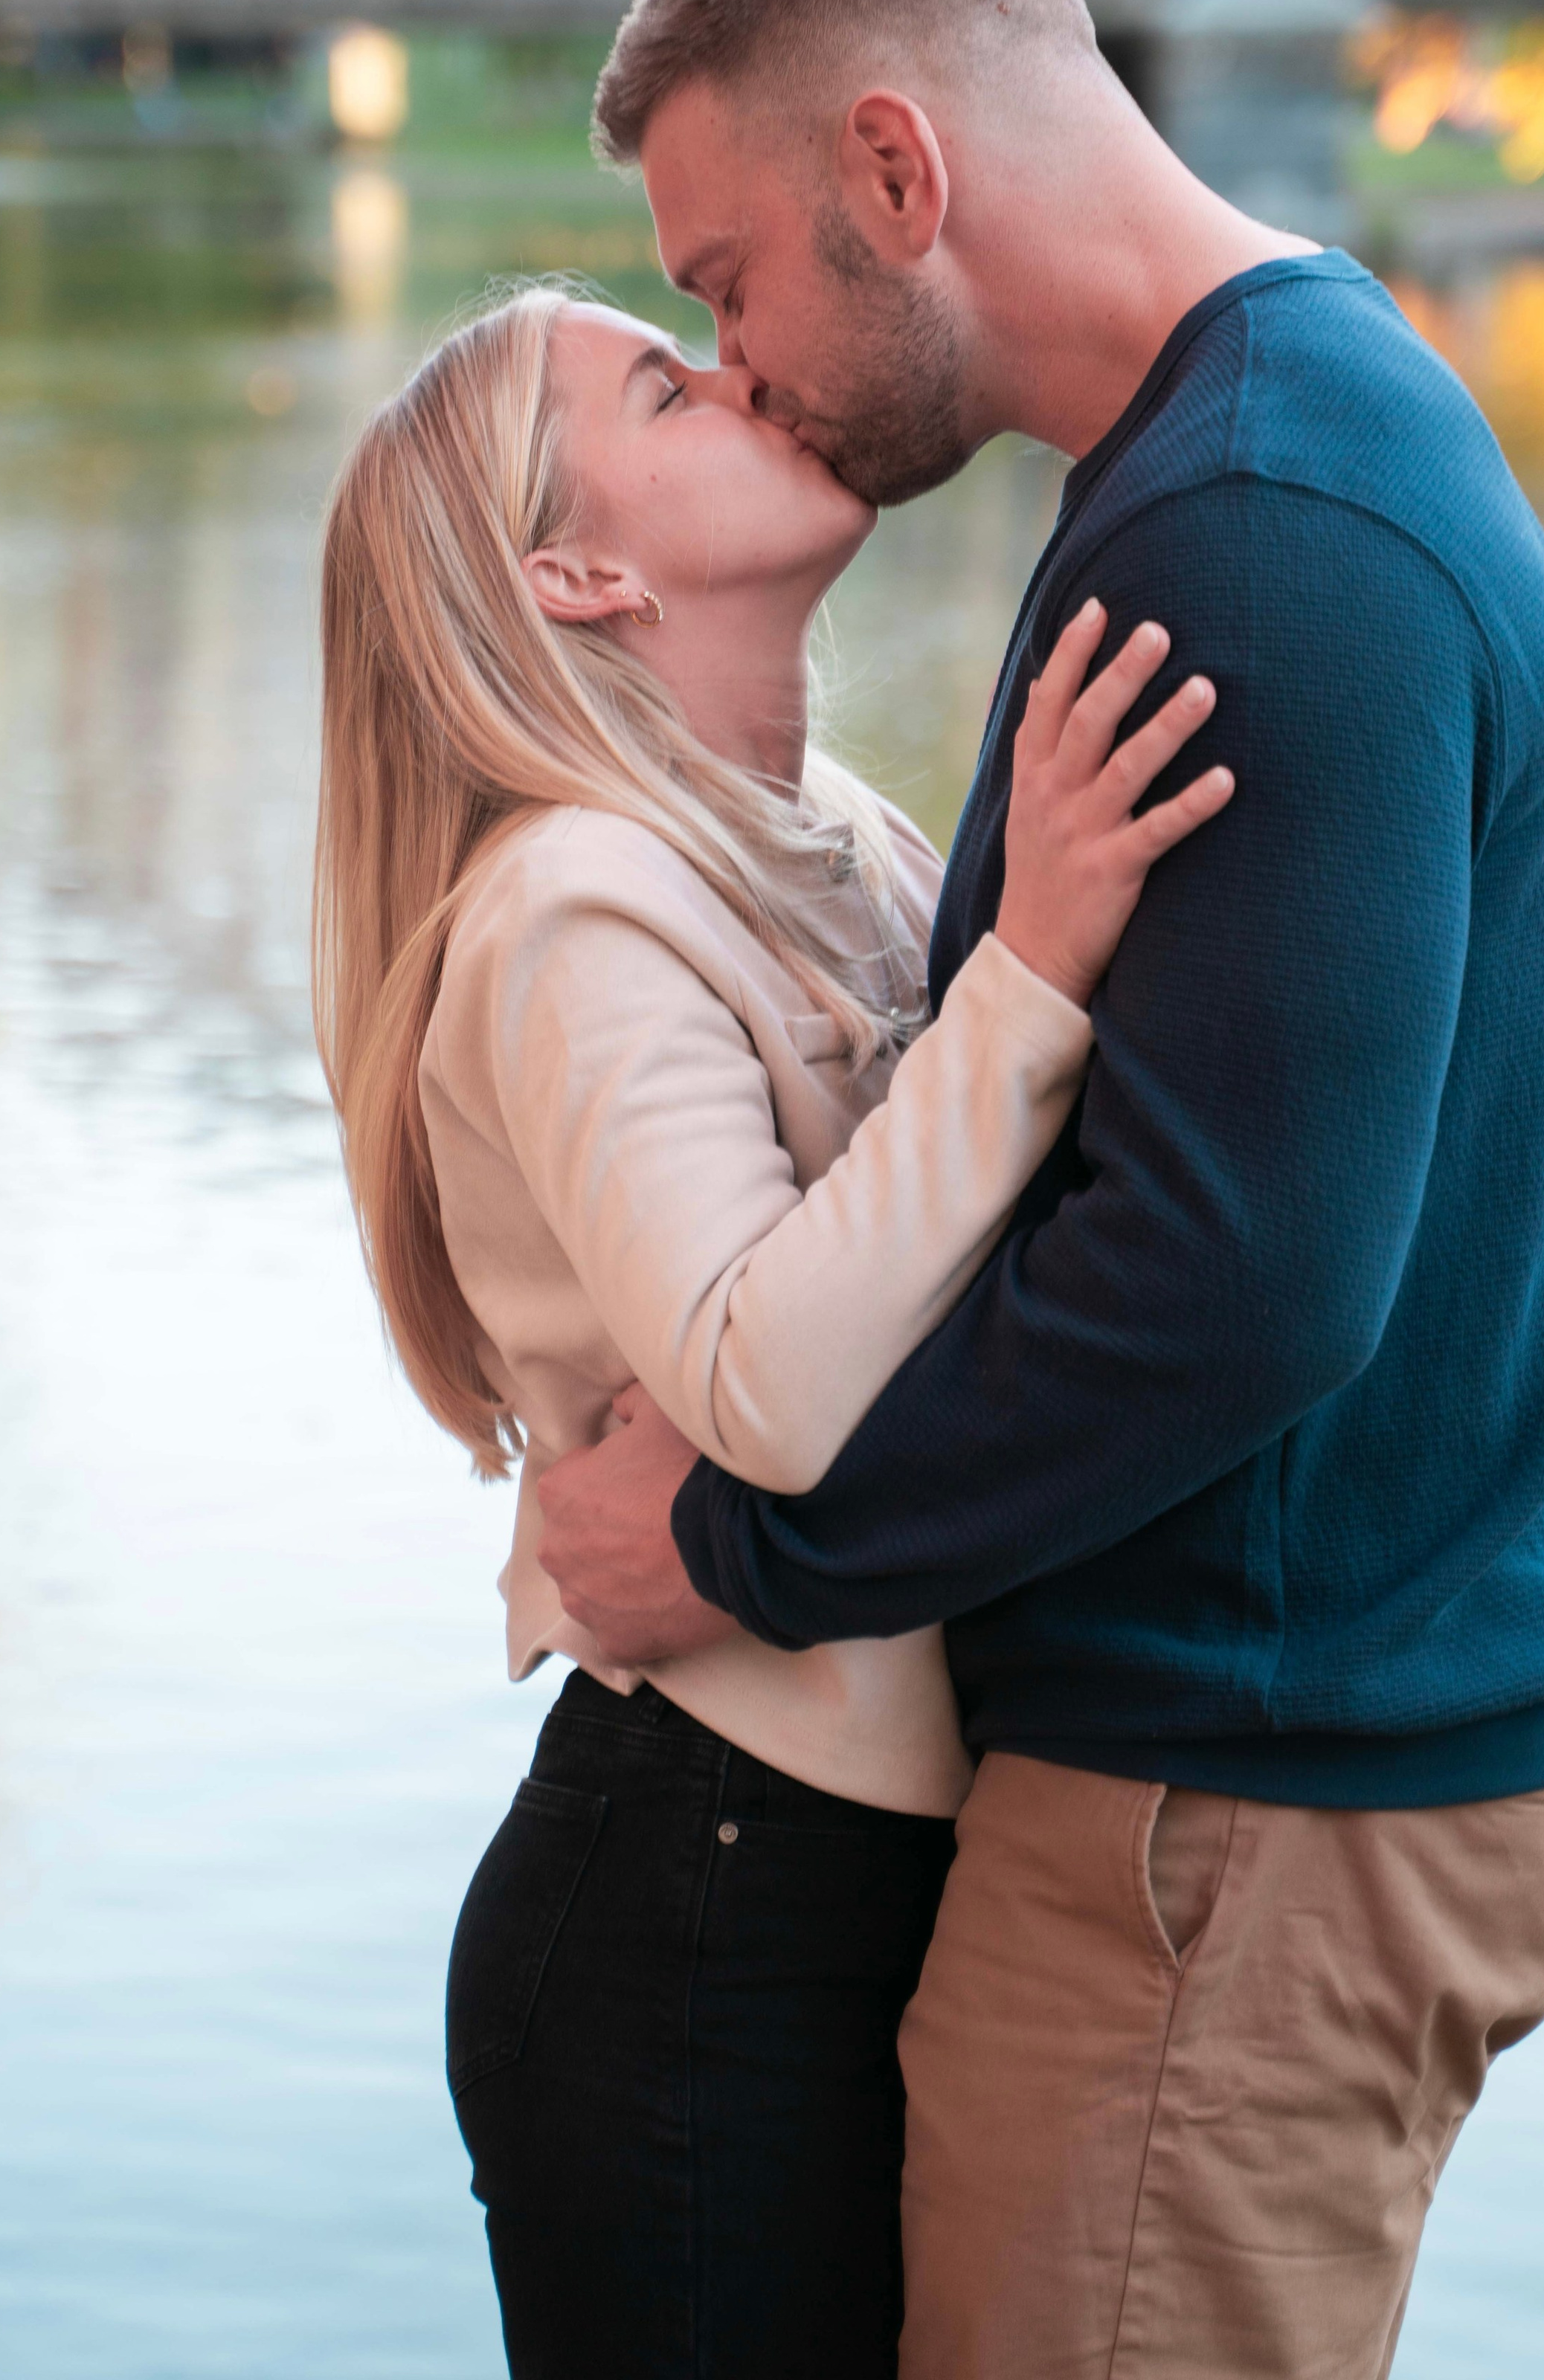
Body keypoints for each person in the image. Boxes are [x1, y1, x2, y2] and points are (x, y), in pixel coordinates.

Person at [541, 0, 1544, 2377]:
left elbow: (1243, 1278)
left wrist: (740, 1542)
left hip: (1257, 1796)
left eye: (725, 284)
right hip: (1309, 1742)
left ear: (897, 173)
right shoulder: (1275, 421)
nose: (731, 367)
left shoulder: (1256, 531)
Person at [311, 282, 1232, 2378]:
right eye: (664, 381)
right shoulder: (567, 908)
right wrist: (1046, 963)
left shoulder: (857, 845)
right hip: (695, 1915)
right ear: (580, 573)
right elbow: (767, 1383)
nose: (737, 368)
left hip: (849, 1882)